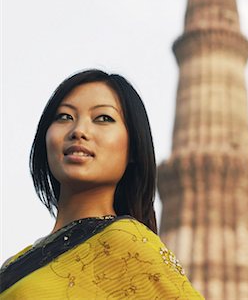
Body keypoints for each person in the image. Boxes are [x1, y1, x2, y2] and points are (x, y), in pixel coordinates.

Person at [0, 69, 205, 299]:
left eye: (103, 118)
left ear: (133, 148)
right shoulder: (15, 264)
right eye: (64, 116)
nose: (79, 131)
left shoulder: (128, 244)